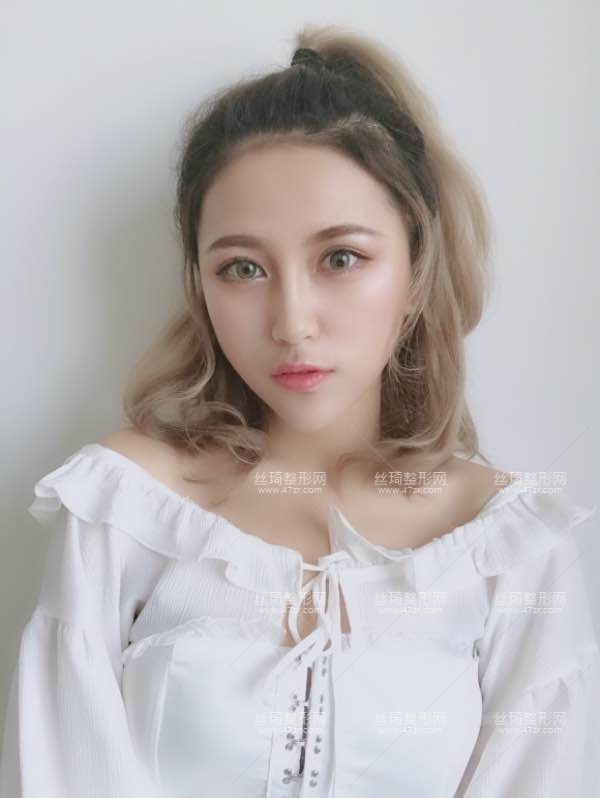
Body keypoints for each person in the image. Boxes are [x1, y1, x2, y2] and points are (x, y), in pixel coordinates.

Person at [1, 23, 598, 798]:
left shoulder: (511, 547)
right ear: (200, 283)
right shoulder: (123, 510)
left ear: (417, 272)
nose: (292, 322)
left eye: (341, 258)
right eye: (243, 268)